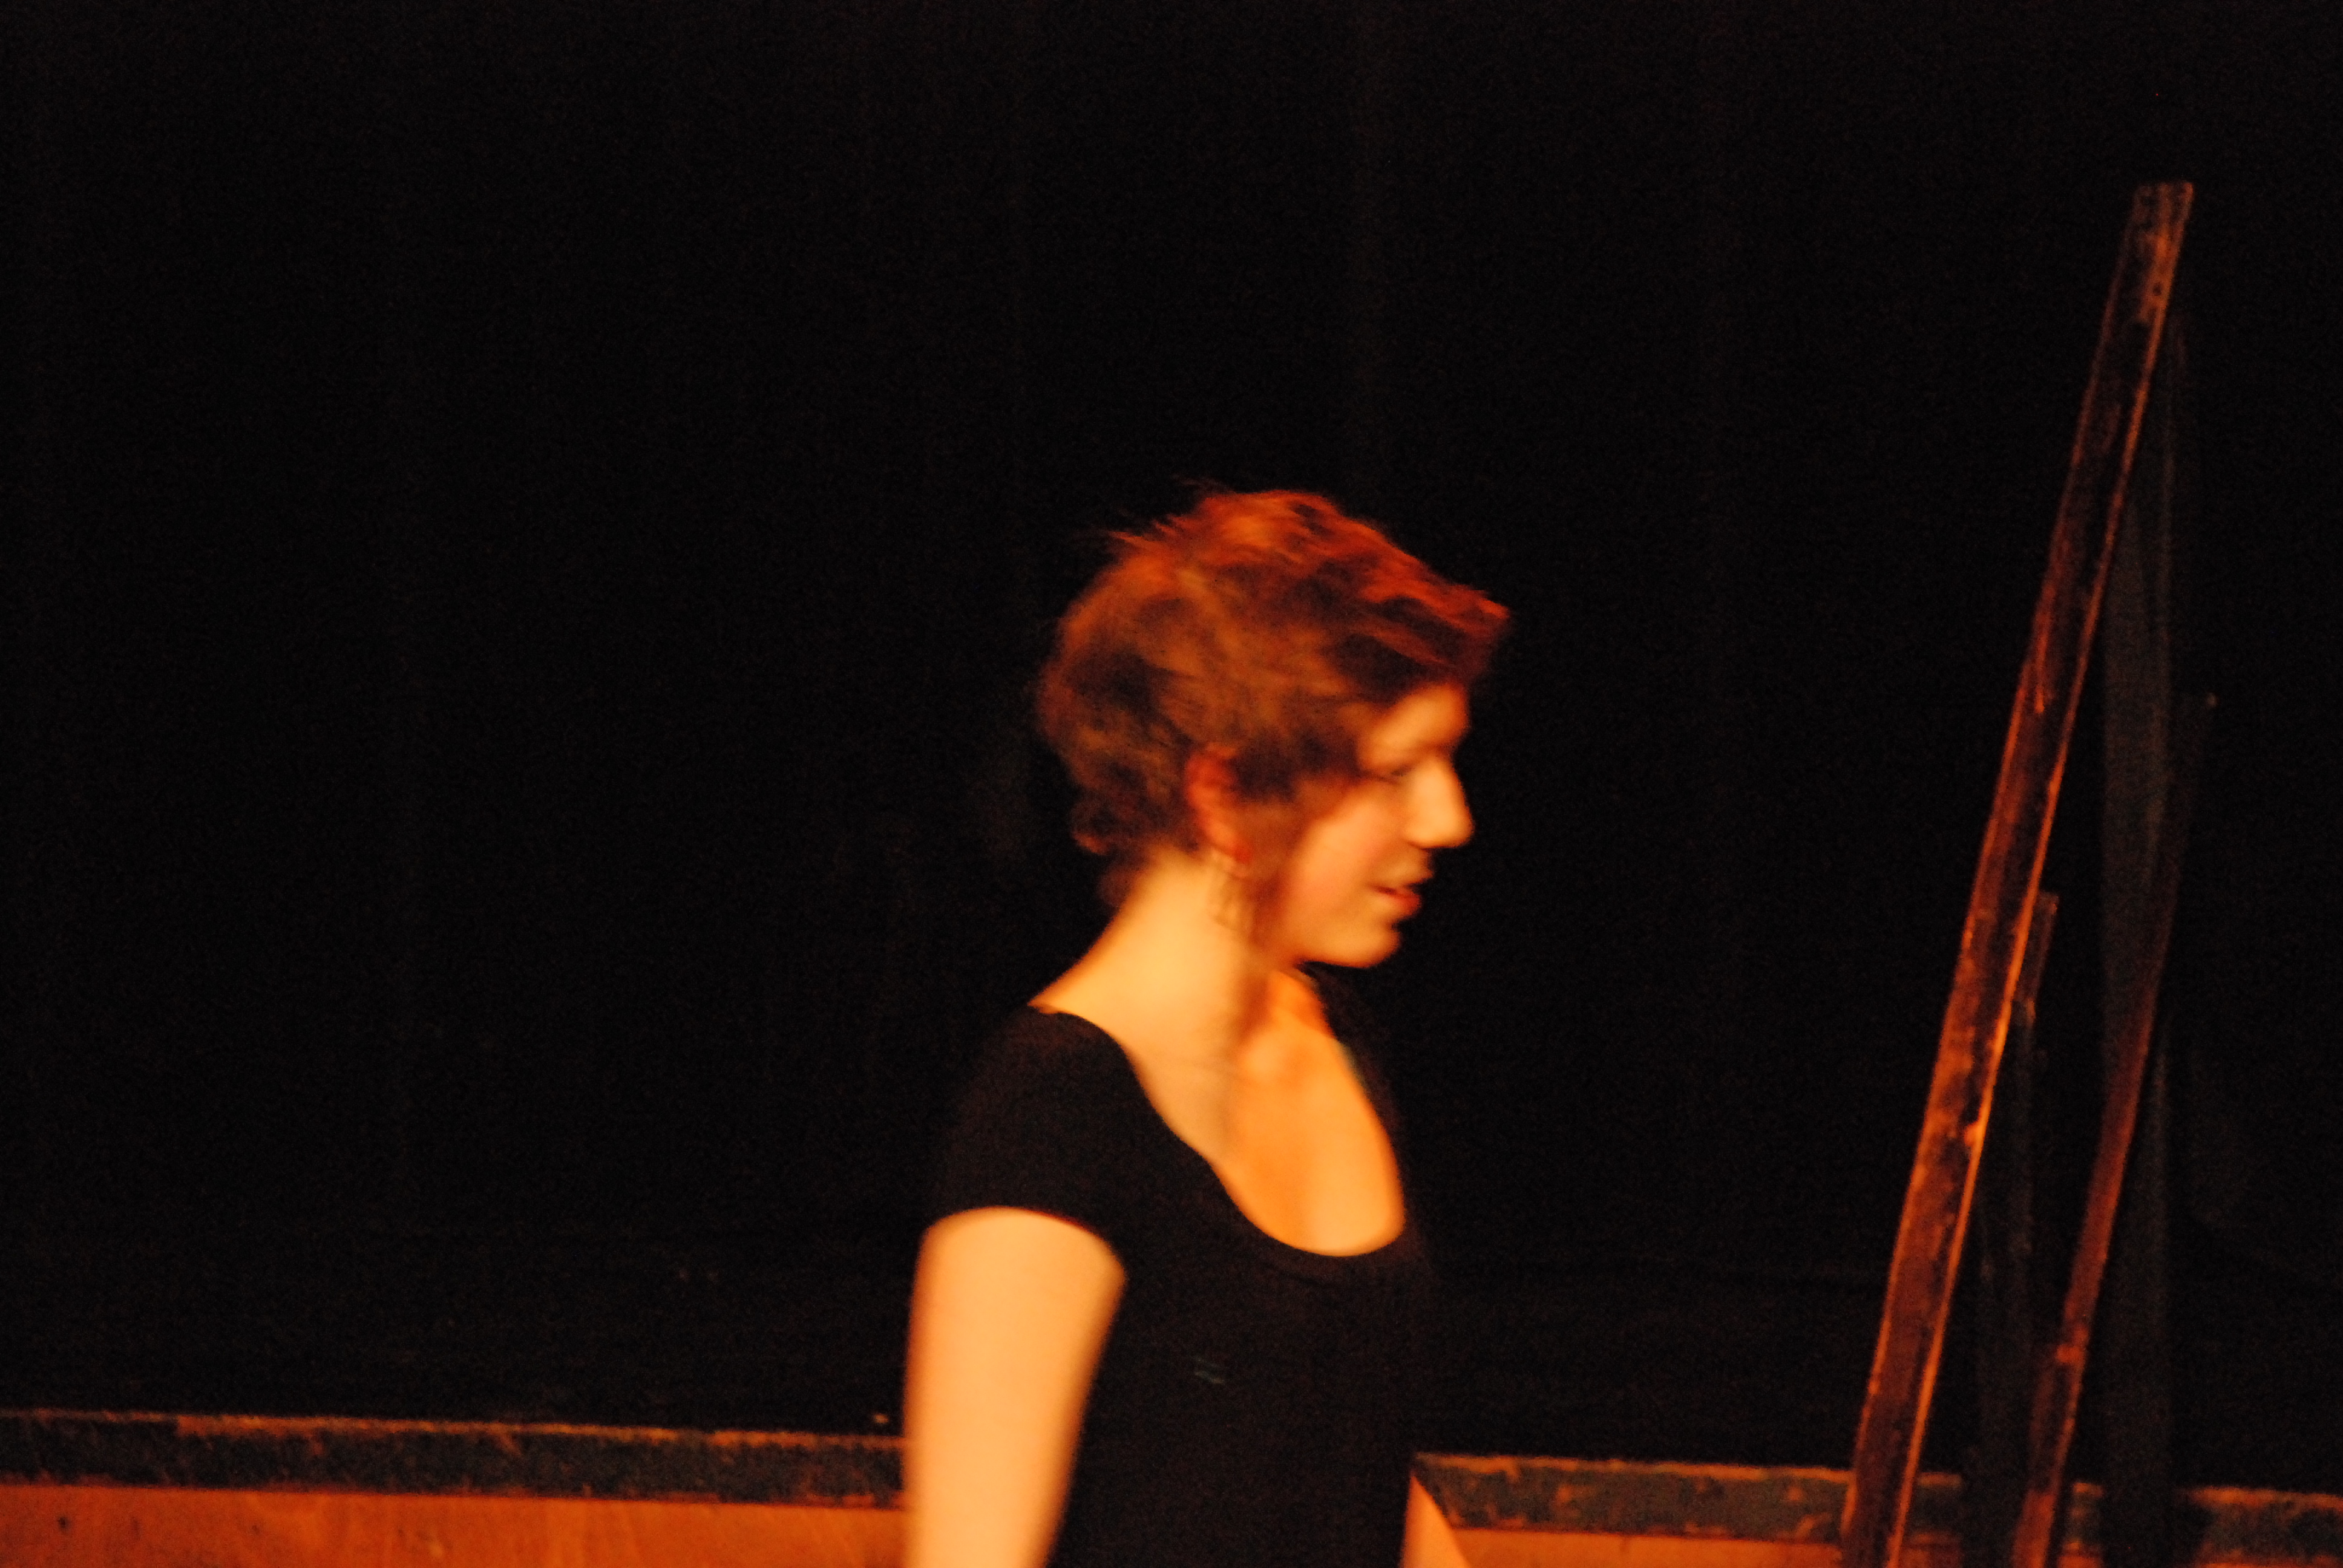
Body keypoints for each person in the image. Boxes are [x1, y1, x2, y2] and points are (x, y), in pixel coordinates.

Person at [904, 490, 1507, 1568]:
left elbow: (1340, 1469)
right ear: (1224, 794)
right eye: (1392, 774)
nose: (1447, 819)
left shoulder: (1331, 1038)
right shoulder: (1059, 1112)